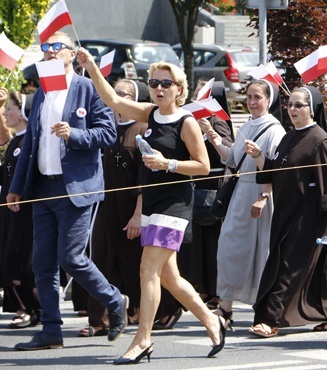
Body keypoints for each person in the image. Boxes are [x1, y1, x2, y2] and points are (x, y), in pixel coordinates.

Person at [77, 48, 225, 364]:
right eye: (155, 82)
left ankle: (142, 340)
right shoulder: (150, 113)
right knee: (169, 277)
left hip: (175, 204)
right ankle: (211, 319)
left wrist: (167, 163)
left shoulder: (187, 122)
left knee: (147, 269)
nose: (159, 88)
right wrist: (91, 67)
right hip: (154, 203)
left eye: (166, 84)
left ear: (179, 90)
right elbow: (114, 102)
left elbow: (202, 165)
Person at [8, 32, 128, 351]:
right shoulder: (40, 95)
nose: (48, 51)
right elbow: (30, 145)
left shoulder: (89, 88)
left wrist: (73, 133)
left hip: (76, 188)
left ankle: (115, 301)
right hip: (43, 188)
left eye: (55, 47)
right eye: (44, 47)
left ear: (72, 54)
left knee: (70, 257)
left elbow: (107, 134)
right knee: (43, 264)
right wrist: (17, 188)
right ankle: (51, 330)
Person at [245, 86, 327, 337]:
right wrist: (259, 156)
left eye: (298, 105)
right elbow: (275, 172)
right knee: (321, 266)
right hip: (286, 212)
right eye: (290, 104)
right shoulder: (289, 137)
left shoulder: (320, 140)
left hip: (309, 216)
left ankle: (272, 318)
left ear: (312, 109)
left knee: (288, 265)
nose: (292, 109)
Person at [206, 79, 285, 328]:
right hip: (240, 193)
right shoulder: (247, 124)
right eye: (249, 97)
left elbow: (276, 170)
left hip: (261, 195)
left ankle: (261, 311)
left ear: (268, 100)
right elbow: (232, 159)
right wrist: (215, 140)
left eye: (257, 97)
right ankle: (226, 306)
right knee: (228, 248)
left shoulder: (275, 130)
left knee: (261, 253)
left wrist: (259, 156)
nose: (252, 102)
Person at [77, 79, 149, 337]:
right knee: (101, 261)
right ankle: (99, 319)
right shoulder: (108, 129)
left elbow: (144, 178)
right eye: (115, 92)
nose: (117, 97)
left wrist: (138, 215)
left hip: (132, 209)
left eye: (123, 94)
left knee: (132, 264)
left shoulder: (142, 129)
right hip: (106, 207)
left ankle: (141, 309)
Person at [178, 80, 235, 311]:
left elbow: (228, 150)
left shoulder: (217, 120)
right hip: (195, 183)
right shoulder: (190, 120)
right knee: (197, 243)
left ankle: (217, 291)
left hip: (213, 185)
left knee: (213, 244)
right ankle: (200, 286)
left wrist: (208, 132)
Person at [0, 89, 40, 329]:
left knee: (23, 259)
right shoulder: (16, 139)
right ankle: (22, 306)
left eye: (9, 109)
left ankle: (29, 307)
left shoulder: (29, 141)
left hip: (24, 210)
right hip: (9, 209)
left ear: (23, 113)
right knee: (9, 257)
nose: (5, 113)